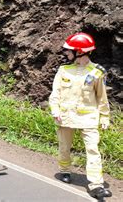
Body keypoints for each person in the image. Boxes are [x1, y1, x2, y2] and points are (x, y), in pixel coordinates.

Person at [49, 32, 112, 199]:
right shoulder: (64, 70)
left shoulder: (96, 72)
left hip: (88, 118)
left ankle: (96, 184)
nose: (66, 53)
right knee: (64, 147)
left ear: (80, 51)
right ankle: (64, 170)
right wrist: (55, 110)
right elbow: (55, 93)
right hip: (66, 117)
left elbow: (102, 97)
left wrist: (104, 117)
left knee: (93, 149)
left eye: (69, 50)